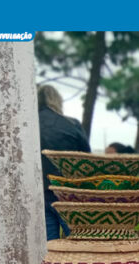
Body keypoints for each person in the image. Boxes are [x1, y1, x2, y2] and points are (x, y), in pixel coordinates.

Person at [38, 84, 91, 241]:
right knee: (77, 241)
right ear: (57, 101)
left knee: (49, 247)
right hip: (68, 191)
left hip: (39, 191)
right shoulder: (72, 124)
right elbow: (87, 158)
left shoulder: (28, 125)